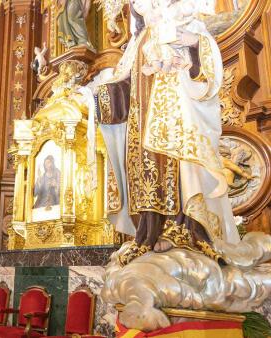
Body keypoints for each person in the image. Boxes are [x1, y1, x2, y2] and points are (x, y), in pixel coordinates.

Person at [94, 0, 239, 265]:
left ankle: (187, 231)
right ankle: (150, 233)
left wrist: (194, 42)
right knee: (147, 173)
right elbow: (124, 86)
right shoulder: (137, 44)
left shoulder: (183, 25)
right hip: (142, 124)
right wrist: (103, 96)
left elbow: (207, 66)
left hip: (176, 117)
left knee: (181, 168)